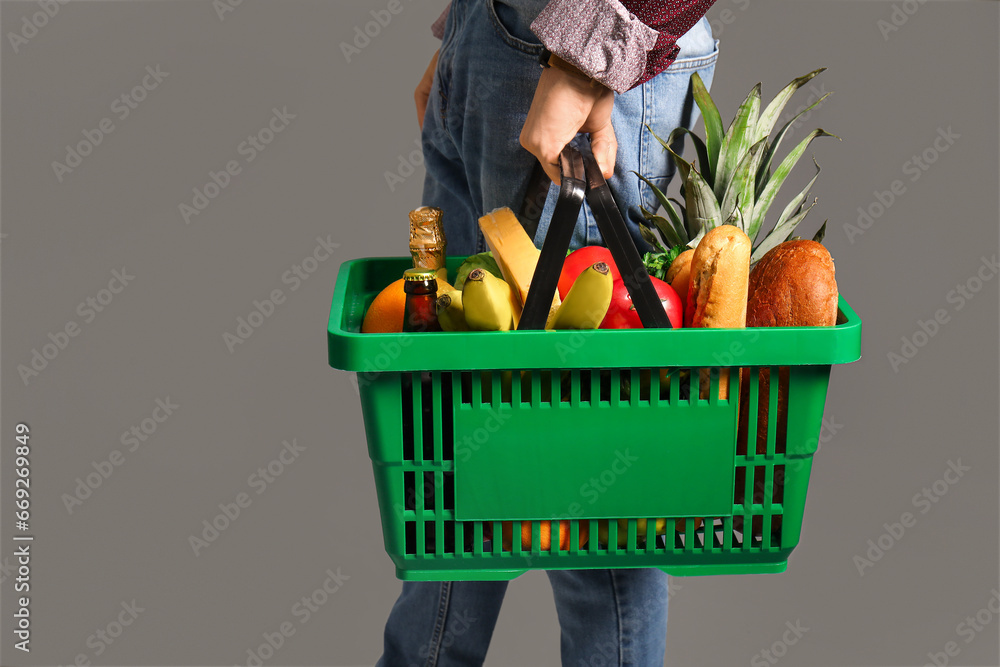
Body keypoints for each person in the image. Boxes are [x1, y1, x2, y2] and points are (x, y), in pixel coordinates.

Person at [377, 1, 719, 664]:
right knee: (456, 445)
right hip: (511, 40)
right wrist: (468, 31)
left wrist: (587, 59)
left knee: (590, 492)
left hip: (583, 42)